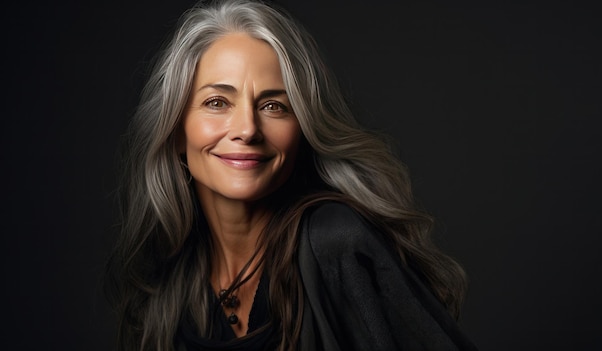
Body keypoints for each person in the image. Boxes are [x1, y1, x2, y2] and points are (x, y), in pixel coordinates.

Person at [105, 0, 479, 350]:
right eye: (217, 102)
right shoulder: (168, 277)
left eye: (273, 105)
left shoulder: (336, 243)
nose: (247, 129)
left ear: (302, 129)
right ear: (175, 132)